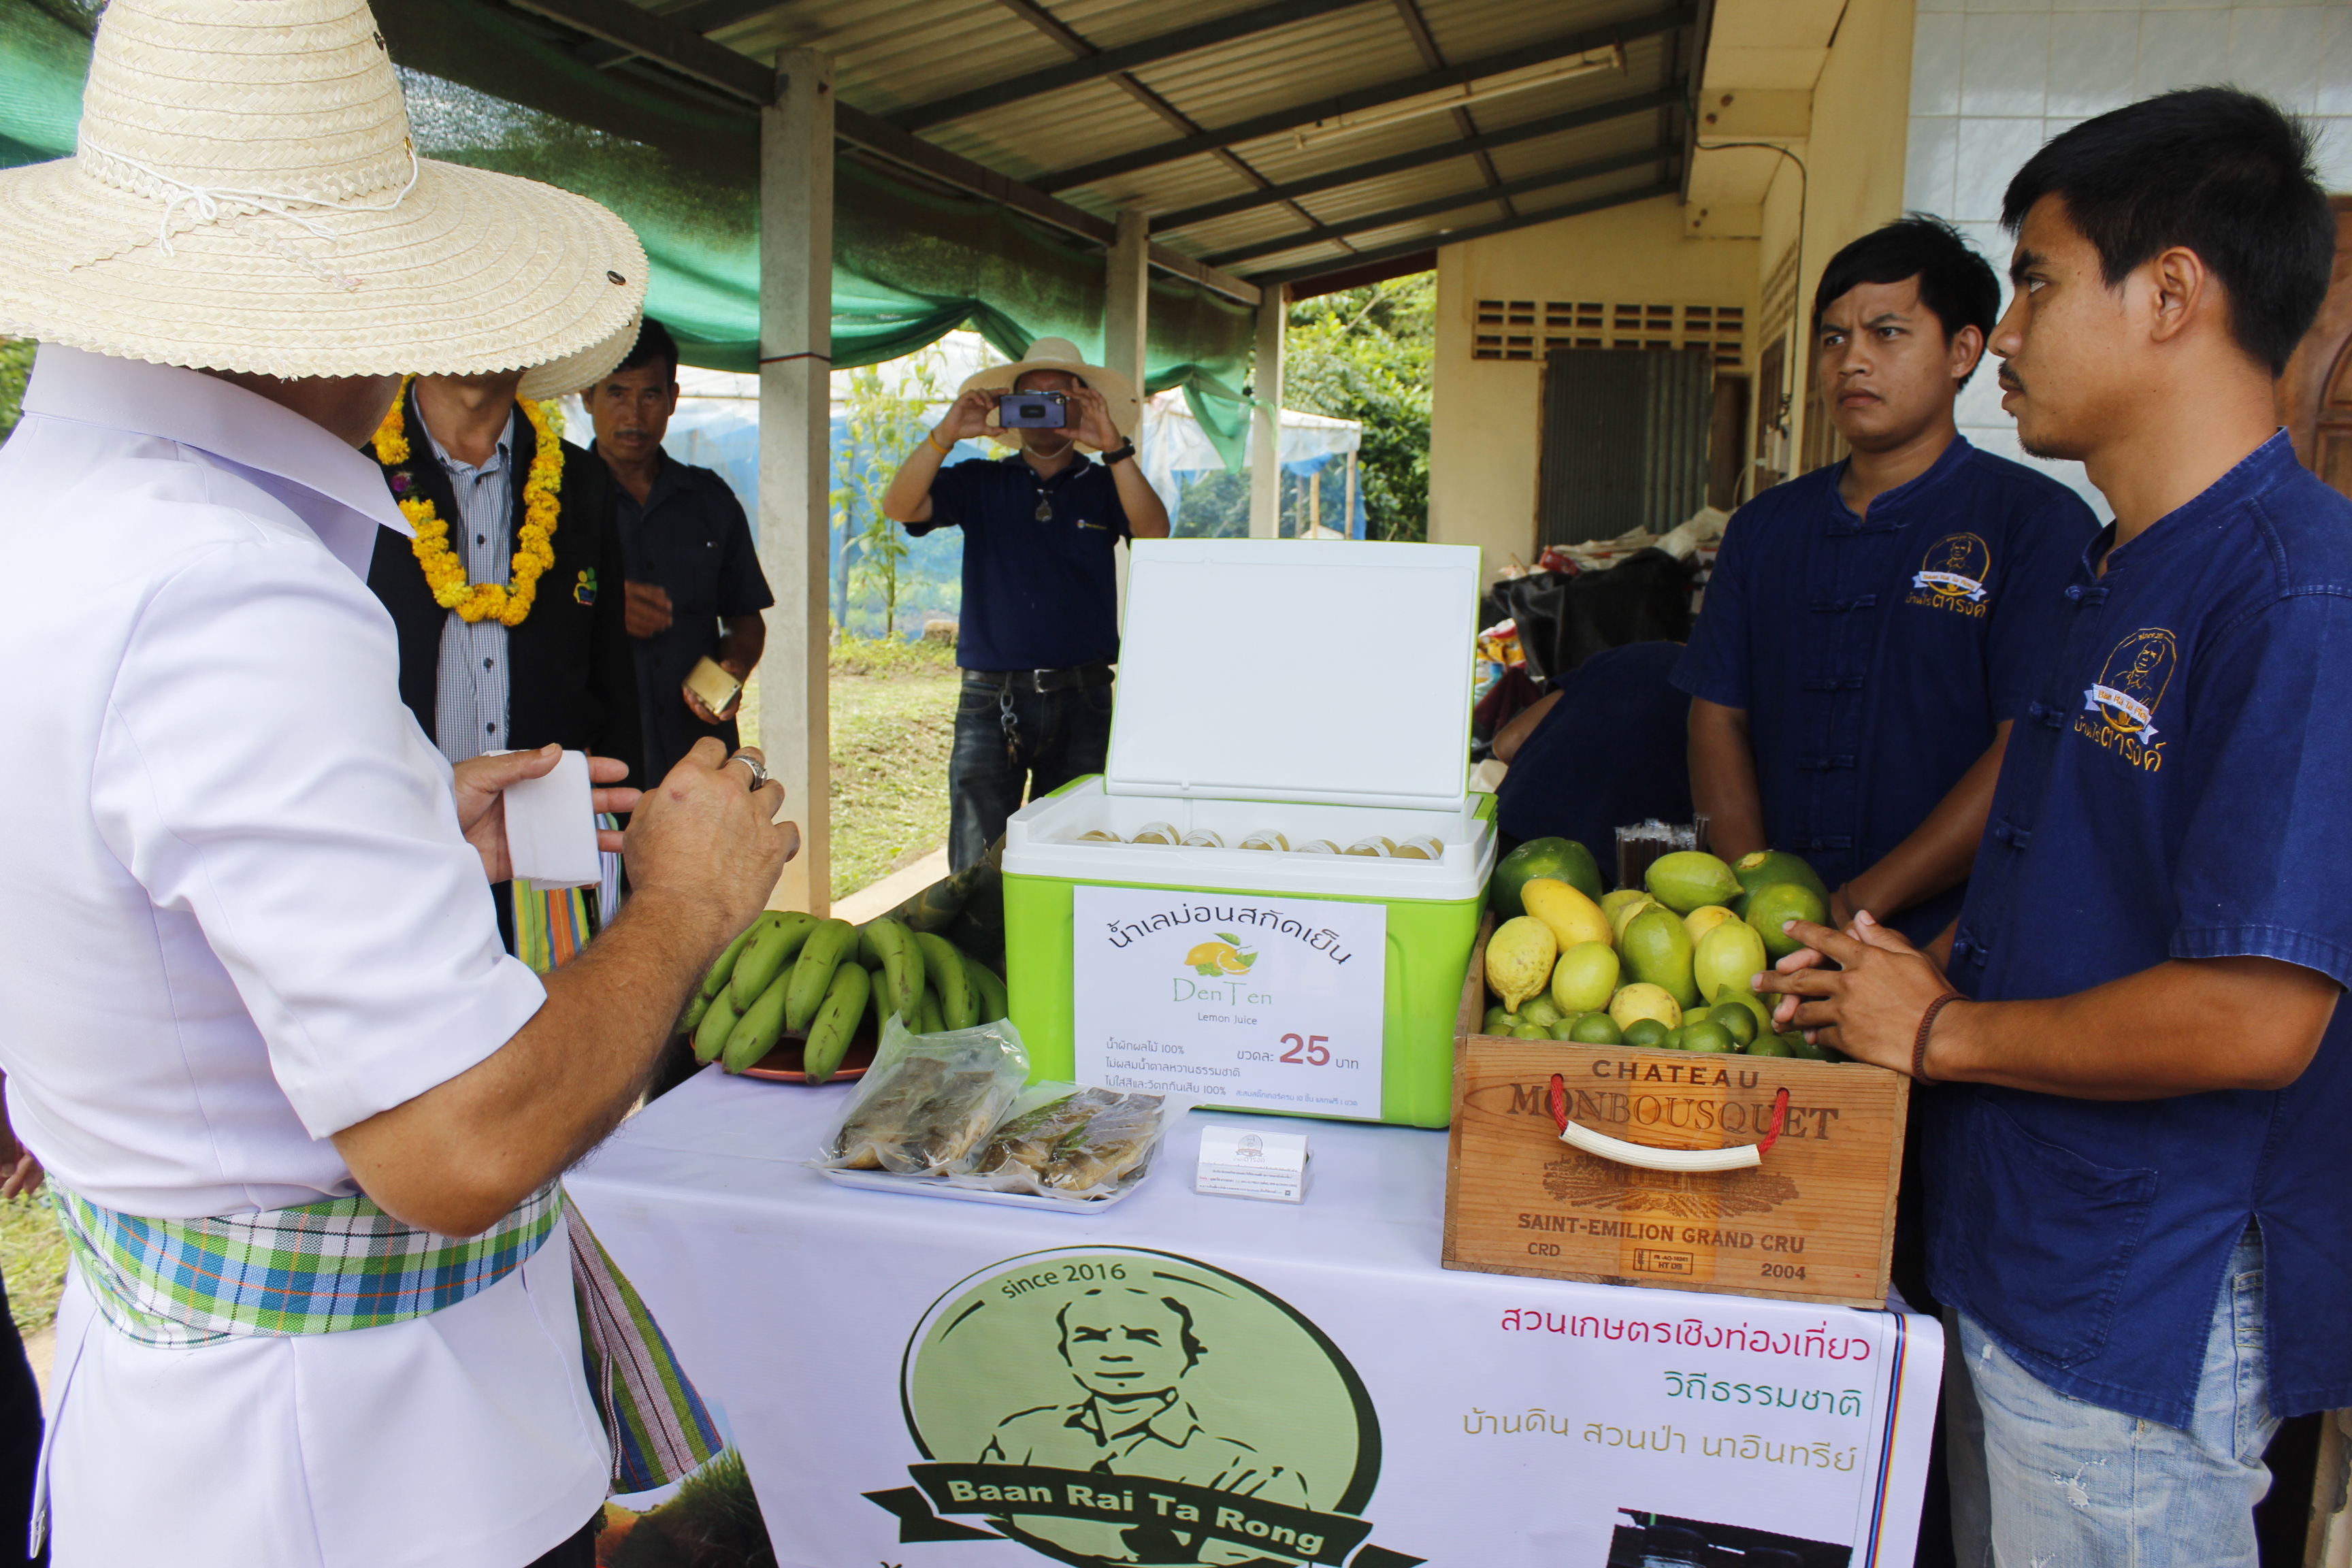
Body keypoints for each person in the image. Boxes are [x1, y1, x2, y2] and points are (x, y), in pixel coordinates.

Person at [0, 5, 798, 1566]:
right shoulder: (226, 587)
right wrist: (685, 905)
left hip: (179, 1438)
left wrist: (405, 822)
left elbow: (100, 869)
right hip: (365, 1478)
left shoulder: (46, 515)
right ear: (342, 306)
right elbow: (459, 1145)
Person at [1759, 89, 2352, 1568]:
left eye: (2032, 278)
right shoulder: (2125, 561)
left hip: (2141, 1293)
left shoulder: (2295, 595)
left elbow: (2255, 1014)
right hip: (2025, 1242)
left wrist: (1939, 1033)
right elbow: (2072, 880)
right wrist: (1895, 976)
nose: (2002, 333)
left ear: (2169, 296)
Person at [1674, 216, 2100, 946]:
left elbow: (2027, 748)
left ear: (1964, 349)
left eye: (1888, 333)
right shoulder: (1763, 528)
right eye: (1834, 337)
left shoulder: (2034, 523)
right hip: (1771, 938)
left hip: (1942, 942)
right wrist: (1756, 891)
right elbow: (1717, 714)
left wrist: (1858, 906)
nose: (1851, 362)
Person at [881, 339, 1171, 871]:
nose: (1043, 409)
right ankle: (976, 952)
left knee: (1077, 848)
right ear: (1006, 410)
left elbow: (1154, 534)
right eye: (1029, 399)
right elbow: (900, 506)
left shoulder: (1107, 482)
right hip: (991, 699)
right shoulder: (979, 481)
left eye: (1059, 398)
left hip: (1084, 696)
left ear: (1085, 404)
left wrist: (1114, 445)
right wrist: (946, 434)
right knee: (977, 853)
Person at [587, 317, 774, 788]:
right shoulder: (553, 501)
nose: (634, 414)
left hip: (699, 752)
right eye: (616, 393)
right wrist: (606, 606)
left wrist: (730, 669)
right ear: (587, 395)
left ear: (673, 398)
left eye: (649, 395)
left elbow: (745, 619)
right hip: (597, 758)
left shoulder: (710, 502)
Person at [1491, 642, 1693, 884]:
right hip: (1600, 871)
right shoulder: (1728, 699)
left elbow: (1510, 742)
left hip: (1500, 839)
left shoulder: (1630, 655)